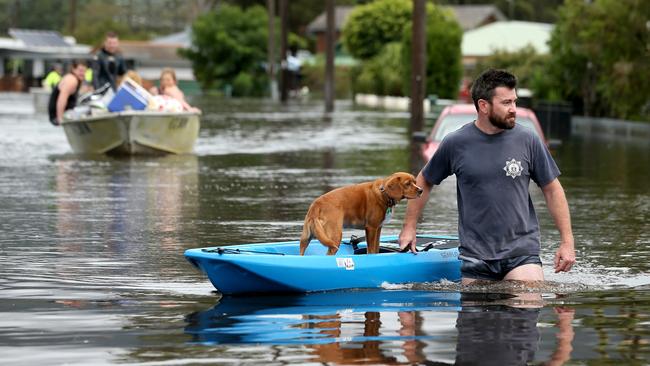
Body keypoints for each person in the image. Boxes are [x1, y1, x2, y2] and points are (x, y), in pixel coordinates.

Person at [399, 69, 576, 284]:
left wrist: (567, 242)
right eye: (506, 103)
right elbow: (424, 180)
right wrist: (409, 227)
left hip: (521, 254)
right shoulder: (455, 143)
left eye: (515, 102)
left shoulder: (528, 140)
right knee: (475, 312)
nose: (514, 109)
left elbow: (553, 189)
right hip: (474, 258)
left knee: (526, 300)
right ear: (483, 105)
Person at [48, 60, 87, 126]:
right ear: (73, 69)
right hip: (58, 115)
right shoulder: (71, 80)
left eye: (84, 71)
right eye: (80, 70)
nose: (82, 73)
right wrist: (60, 119)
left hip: (67, 112)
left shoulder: (76, 79)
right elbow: (61, 99)